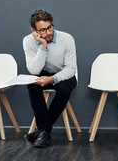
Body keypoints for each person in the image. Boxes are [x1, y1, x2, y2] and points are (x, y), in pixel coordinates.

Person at [23, 10, 77, 147]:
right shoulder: (28, 41)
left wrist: (52, 79)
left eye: (50, 27)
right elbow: (34, 70)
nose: (48, 33)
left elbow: (71, 69)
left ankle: (43, 131)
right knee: (32, 85)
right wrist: (43, 47)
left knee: (64, 90)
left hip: (64, 75)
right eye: (42, 30)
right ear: (34, 31)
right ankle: (44, 132)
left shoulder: (67, 39)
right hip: (43, 74)